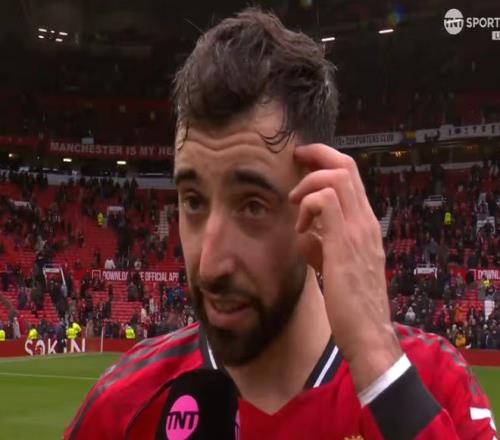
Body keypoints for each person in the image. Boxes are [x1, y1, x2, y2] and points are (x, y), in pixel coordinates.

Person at [64, 9, 497, 440]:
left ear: (320, 203)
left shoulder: (432, 385)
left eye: (252, 206)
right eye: (193, 201)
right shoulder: (120, 410)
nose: (210, 265)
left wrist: (379, 365)